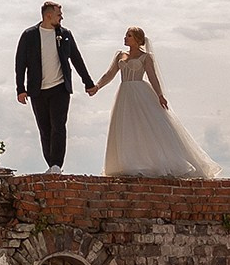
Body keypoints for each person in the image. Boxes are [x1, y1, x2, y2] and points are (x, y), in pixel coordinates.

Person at [89, 27, 222, 178]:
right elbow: (110, 74)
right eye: (126, 35)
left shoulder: (146, 57)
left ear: (137, 39)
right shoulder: (120, 55)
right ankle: (128, 163)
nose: (125, 38)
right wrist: (97, 86)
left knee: (146, 126)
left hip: (140, 92)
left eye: (129, 35)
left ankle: (154, 162)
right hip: (124, 94)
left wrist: (160, 95)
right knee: (126, 126)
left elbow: (152, 77)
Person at [12, 1, 95, 170]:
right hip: (37, 90)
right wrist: (20, 89)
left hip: (60, 88)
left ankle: (57, 164)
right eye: (59, 15)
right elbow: (20, 63)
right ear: (48, 15)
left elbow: (76, 59)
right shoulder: (29, 35)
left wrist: (88, 83)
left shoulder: (65, 35)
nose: (61, 18)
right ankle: (51, 164)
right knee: (45, 129)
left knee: (58, 126)